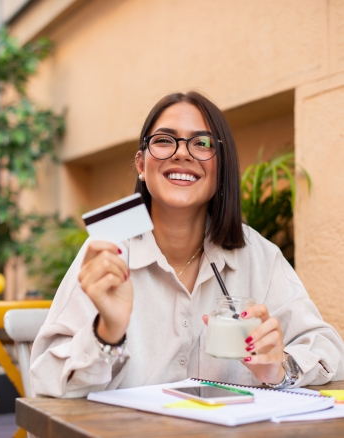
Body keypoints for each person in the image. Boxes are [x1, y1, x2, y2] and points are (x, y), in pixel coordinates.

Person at [30, 91, 344, 398]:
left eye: (202, 143)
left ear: (220, 169)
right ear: (141, 164)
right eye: (165, 140)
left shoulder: (257, 255)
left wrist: (280, 368)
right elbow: (44, 377)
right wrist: (106, 334)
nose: (182, 153)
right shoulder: (107, 251)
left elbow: (328, 349)